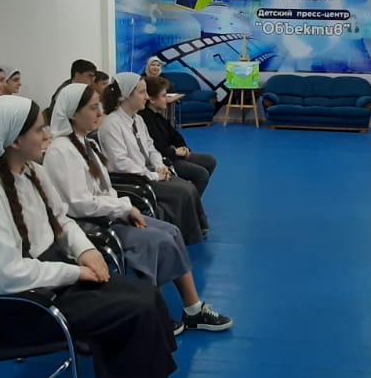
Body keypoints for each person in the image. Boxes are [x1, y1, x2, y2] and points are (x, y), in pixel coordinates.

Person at [0, 96, 211, 378]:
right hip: (18, 306)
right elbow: (6, 275)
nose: (47, 134)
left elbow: (62, 221)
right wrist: (75, 271)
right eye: (38, 130)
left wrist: (86, 251)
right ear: (14, 140)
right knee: (134, 310)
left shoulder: (31, 172)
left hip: (49, 282)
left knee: (148, 297)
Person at [42, 84, 232, 333]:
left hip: (108, 214)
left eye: (99, 106)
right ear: (72, 114)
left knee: (172, 231)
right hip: (90, 224)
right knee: (156, 240)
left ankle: (193, 309)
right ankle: (152, 313)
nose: (99, 113)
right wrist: (123, 208)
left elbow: (105, 190)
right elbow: (80, 204)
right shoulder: (61, 151)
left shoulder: (86, 143)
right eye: (92, 108)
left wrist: (121, 208)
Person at [98, 73, 207, 245]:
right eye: (142, 92)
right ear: (126, 96)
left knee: (189, 188)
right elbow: (120, 163)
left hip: (149, 172)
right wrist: (153, 175)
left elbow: (150, 147)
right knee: (184, 191)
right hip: (135, 179)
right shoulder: (112, 125)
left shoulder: (138, 119)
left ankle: (194, 232)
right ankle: (188, 238)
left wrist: (158, 165)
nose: (147, 97)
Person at [139, 75, 217, 196]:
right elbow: (156, 147)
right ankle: (190, 202)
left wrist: (184, 148)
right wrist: (174, 151)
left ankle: (191, 199)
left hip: (173, 154)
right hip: (164, 160)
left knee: (209, 161)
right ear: (152, 99)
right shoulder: (144, 119)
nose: (167, 99)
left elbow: (174, 135)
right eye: (164, 96)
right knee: (201, 174)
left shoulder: (158, 116)